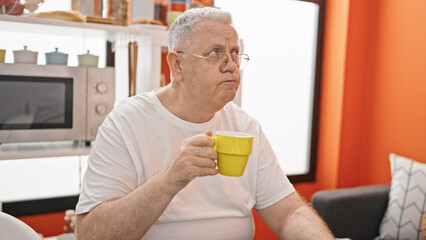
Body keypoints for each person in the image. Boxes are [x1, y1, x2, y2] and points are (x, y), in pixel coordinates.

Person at [75, 7, 338, 240]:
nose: (232, 66)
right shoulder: (126, 123)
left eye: (235, 53)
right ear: (177, 65)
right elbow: (90, 234)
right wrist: (170, 180)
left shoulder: (245, 127)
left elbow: (288, 212)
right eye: (215, 53)